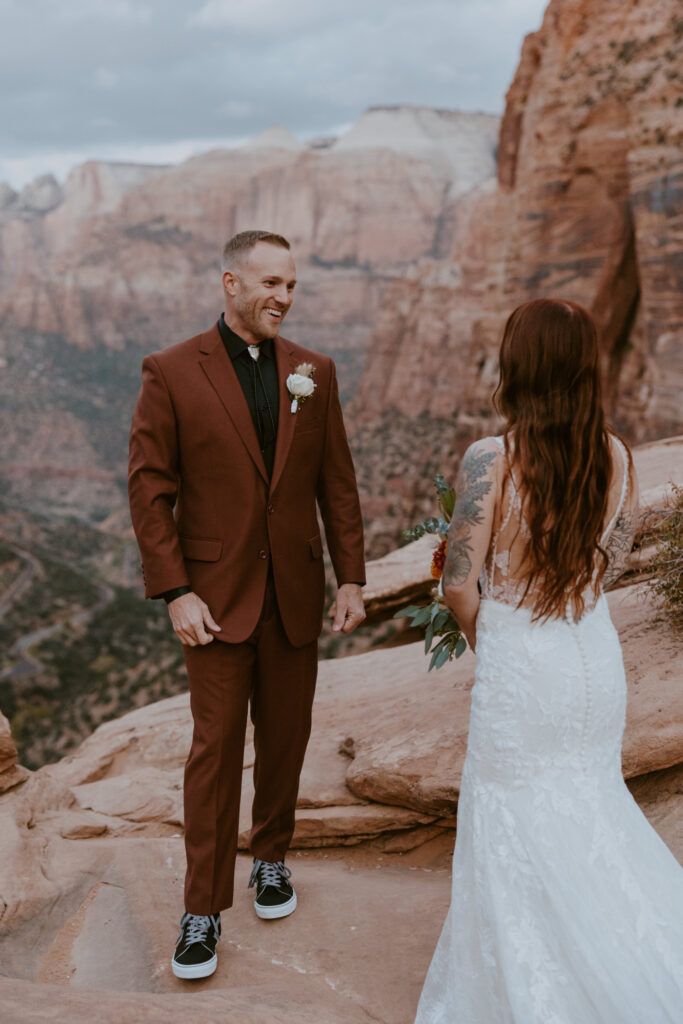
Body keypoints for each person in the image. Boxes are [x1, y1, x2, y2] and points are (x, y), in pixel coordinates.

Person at [415, 298, 683, 1023]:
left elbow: (457, 583)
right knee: (590, 807)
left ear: (519, 367)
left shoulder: (489, 459)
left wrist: (493, 642)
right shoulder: (620, 455)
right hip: (592, 657)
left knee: (514, 819)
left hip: (524, 660)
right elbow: (612, 564)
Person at [128, 230, 366, 981]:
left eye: (290, 286)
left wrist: (351, 579)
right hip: (214, 601)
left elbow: (338, 484)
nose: (283, 298)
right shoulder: (169, 370)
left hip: (294, 593)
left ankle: (271, 860)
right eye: (269, 283)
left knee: (287, 739)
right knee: (214, 753)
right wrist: (175, 591)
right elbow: (149, 488)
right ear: (229, 283)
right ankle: (201, 908)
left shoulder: (315, 372)